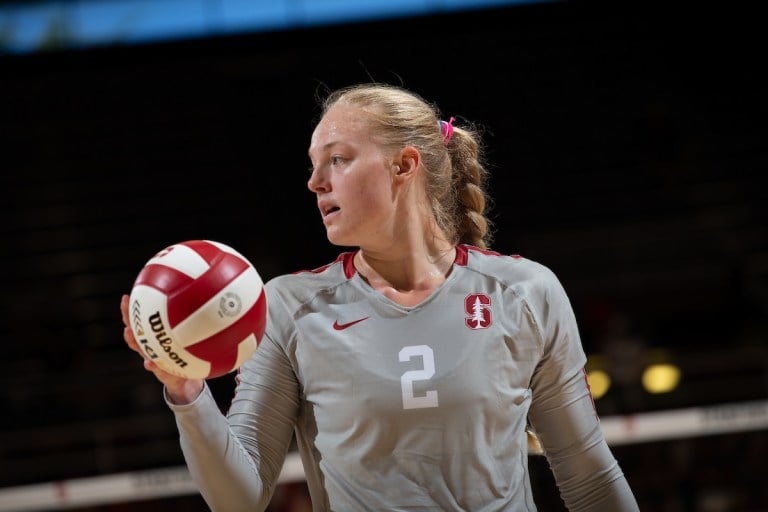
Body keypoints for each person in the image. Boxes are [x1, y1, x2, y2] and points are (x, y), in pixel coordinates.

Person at [121, 82, 640, 511]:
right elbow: (240, 499)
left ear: (404, 165)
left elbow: (589, 478)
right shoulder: (286, 307)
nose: (315, 182)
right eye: (313, 163)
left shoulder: (526, 292)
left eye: (338, 160)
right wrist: (187, 394)